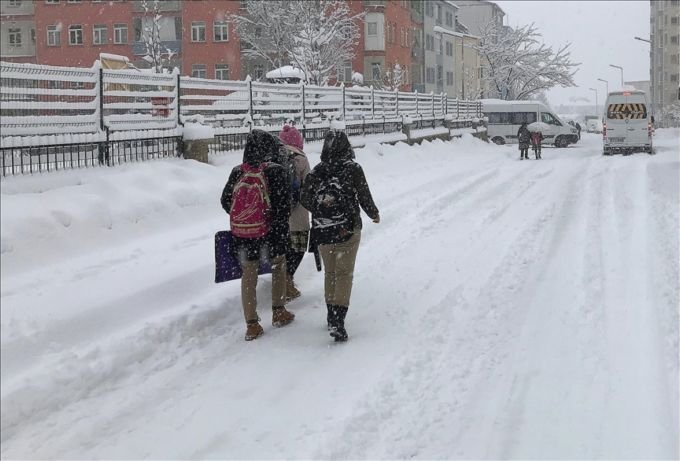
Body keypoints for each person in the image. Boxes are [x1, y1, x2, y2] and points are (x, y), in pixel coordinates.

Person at [301, 129, 380, 342]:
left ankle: (330, 314)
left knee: (331, 273)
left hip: (322, 229)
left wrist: (320, 209)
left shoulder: (317, 171)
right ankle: (338, 319)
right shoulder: (353, 169)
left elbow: (304, 197)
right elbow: (364, 194)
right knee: (344, 274)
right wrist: (373, 213)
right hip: (348, 228)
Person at [220, 129, 295, 341]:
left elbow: (226, 201)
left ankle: (252, 325)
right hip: (272, 232)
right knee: (278, 266)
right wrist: (271, 221)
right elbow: (284, 205)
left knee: (249, 275)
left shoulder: (237, 171)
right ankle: (279, 311)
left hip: (243, 234)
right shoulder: (276, 170)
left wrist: (246, 216)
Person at [278, 124, 311, 301]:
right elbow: (310, 186)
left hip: (278, 215)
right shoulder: (301, 159)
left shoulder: (273, 156)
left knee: (281, 250)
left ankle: (281, 281)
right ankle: (288, 280)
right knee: (297, 248)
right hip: (298, 214)